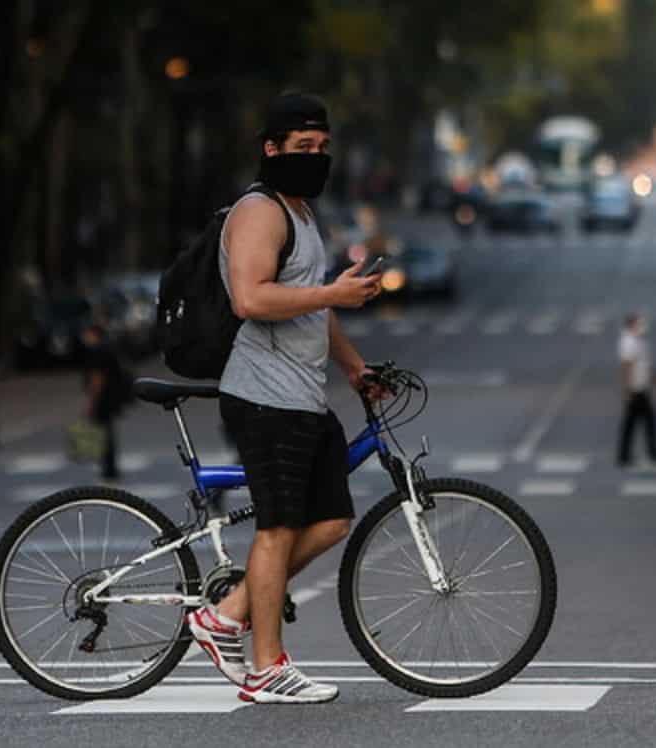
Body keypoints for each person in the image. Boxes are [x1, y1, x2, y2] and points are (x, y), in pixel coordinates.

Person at [185, 92, 383, 705]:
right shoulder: (260, 212)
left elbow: (313, 307)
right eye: (302, 147)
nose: (315, 156)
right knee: (277, 529)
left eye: (322, 147)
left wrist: (355, 367)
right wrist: (331, 295)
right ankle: (266, 668)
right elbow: (252, 298)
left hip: (303, 396)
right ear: (271, 149)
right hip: (263, 398)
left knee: (332, 520)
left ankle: (226, 615)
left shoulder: (301, 213)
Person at [616, 312, 656, 468]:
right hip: (636, 389)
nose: (643, 327)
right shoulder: (628, 341)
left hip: (641, 388)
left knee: (633, 422)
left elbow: (645, 365)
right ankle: (651, 454)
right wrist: (627, 389)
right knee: (646, 420)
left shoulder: (638, 341)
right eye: (640, 324)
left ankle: (625, 455)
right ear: (632, 325)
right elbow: (627, 366)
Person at [81, 323, 125, 480]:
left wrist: (92, 402)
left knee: (104, 432)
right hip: (111, 397)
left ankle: (108, 467)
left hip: (103, 399)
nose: (84, 337)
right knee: (107, 432)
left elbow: (97, 378)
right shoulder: (108, 349)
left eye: (87, 333)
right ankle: (110, 466)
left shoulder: (97, 352)